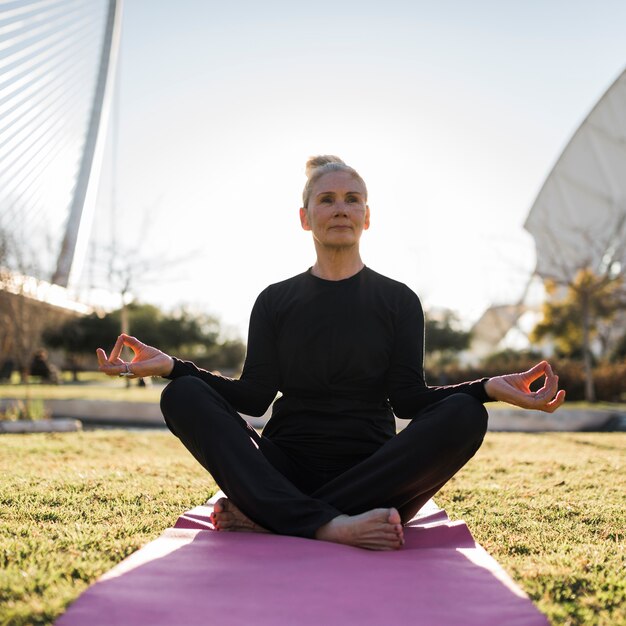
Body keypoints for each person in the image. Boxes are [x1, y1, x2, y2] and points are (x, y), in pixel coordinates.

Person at [97, 155, 565, 551]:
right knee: (183, 396)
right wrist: (171, 368)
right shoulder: (275, 300)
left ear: (367, 216)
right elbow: (254, 396)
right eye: (326, 199)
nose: (340, 208)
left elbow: (407, 399)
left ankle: (276, 518)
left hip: (373, 471)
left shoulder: (399, 300)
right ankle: (330, 525)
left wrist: (485, 389)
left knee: (466, 415)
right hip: (286, 464)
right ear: (305, 217)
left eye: (352, 199)